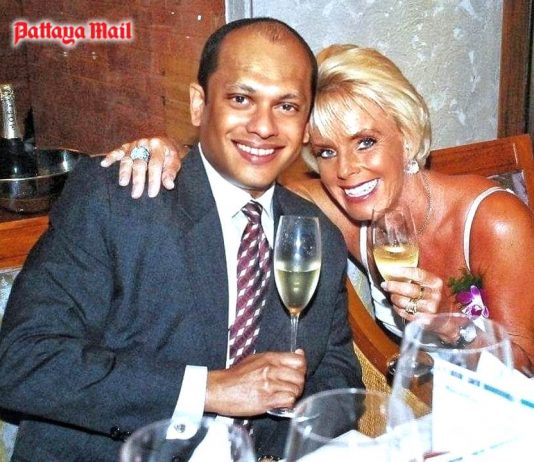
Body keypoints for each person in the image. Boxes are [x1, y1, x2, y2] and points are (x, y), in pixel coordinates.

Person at [0, 19, 362, 461]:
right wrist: (208, 389)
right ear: (198, 104)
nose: (264, 126)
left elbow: (338, 376)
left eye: (287, 106)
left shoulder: (315, 234)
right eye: (241, 99)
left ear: (306, 125)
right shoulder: (121, 200)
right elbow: (21, 361)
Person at [106, 44, 534, 370]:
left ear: (406, 134)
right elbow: (237, 173)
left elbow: (526, 366)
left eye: (365, 142)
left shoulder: (495, 220)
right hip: (427, 399)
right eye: (326, 152)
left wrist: (448, 323)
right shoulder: (340, 208)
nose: (346, 171)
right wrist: (166, 151)